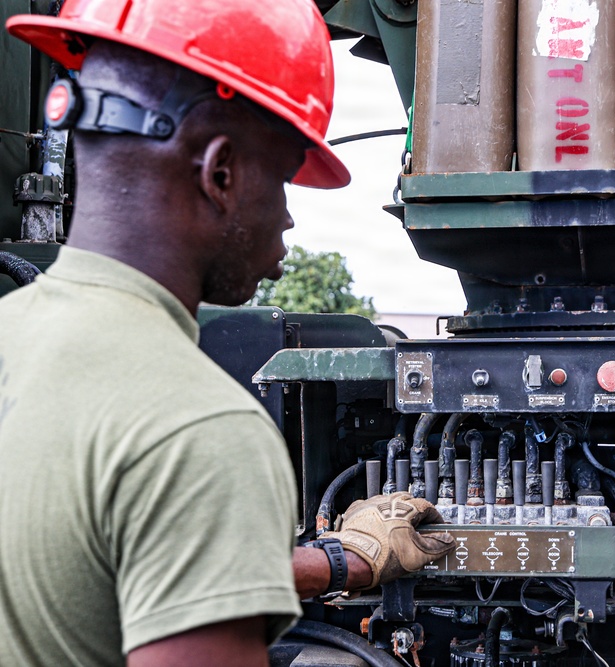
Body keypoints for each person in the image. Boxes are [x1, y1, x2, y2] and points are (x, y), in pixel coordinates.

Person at [0, 1, 454, 665]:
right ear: (221, 174)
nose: (291, 218)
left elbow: (85, 560)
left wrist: (338, 561)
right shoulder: (200, 429)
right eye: (283, 177)